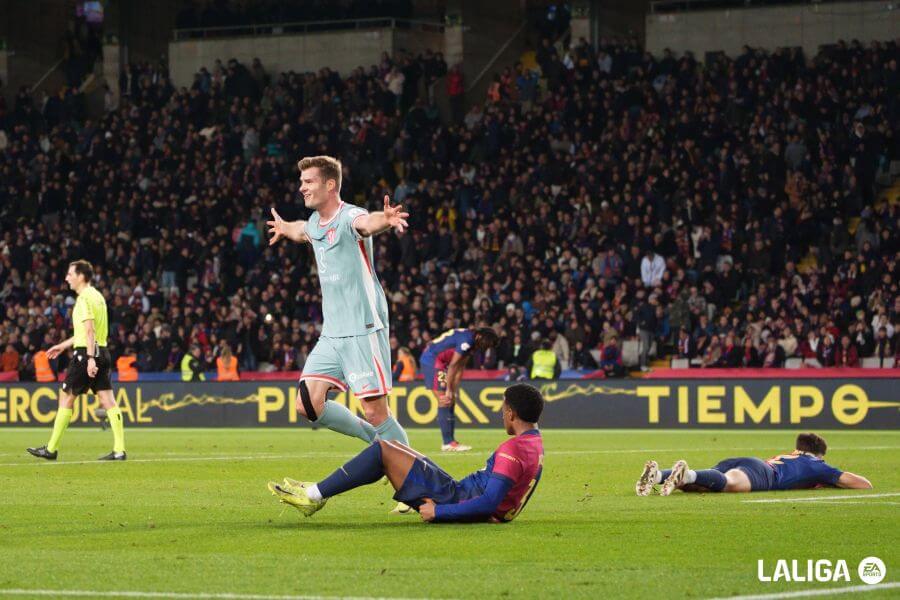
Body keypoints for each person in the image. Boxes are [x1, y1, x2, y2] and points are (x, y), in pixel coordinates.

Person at [266, 155, 410, 447]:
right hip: (332, 334)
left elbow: (366, 224)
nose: (302, 188)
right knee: (308, 404)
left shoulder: (348, 216)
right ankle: (378, 444)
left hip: (362, 327)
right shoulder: (315, 224)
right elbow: (301, 231)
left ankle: (419, 477)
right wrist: (284, 229)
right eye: (301, 182)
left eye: (309, 182)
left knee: (375, 411)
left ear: (330, 184)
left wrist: (386, 219)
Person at [267, 383, 544, 524]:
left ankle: (314, 495)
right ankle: (317, 491)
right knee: (396, 446)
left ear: (511, 413)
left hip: (454, 499)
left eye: (502, 409)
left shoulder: (513, 449)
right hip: (458, 492)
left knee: (382, 451)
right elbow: (503, 505)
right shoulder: (534, 444)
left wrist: (440, 511)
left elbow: (489, 504)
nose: (501, 414)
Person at [27, 260, 126, 461]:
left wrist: (89, 359)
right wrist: (63, 345)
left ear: (81, 276)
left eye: (70, 274)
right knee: (108, 400)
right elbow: (87, 332)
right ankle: (119, 450)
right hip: (103, 351)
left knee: (66, 398)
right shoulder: (98, 297)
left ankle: (51, 449)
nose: (67, 278)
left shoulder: (83, 299)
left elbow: (89, 330)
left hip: (86, 354)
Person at [635, 432, 872, 496]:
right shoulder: (817, 465)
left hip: (747, 461)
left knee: (705, 483)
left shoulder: (791, 455)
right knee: (727, 483)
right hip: (765, 474)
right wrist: (829, 480)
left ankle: (657, 476)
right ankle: (685, 476)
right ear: (818, 454)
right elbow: (864, 485)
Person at [419, 327, 500, 452]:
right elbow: (453, 366)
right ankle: (447, 443)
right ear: (480, 337)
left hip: (441, 361)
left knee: (450, 400)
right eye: (487, 344)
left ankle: (450, 441)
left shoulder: (472, 342)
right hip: (433, 359)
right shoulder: (467, 341)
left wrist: (454, 389)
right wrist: (449, 390)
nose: (486, 347)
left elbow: (459, 368)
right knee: (444, 400)